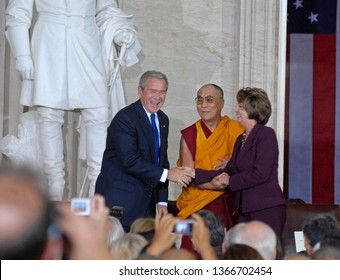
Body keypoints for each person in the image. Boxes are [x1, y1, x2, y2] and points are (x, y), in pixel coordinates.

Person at [5, 0, 142, 200]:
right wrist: (23, 55)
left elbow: (106, 8)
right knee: (49, 114)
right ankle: (55, 184)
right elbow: (17, 13)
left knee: (99, 112)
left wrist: (120, 31)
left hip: (86, 41)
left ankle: (98, 183)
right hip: (48, 42)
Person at [95, 70, 195, 232]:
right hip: (121, 203)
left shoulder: (163, 119)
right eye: (153, 91)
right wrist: (169, 174)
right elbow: (130, 161)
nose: (158, 97)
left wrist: (161, 202)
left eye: (162, 92)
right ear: (140, 91)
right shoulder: (125, 118)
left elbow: (161, 161)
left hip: (146, 206)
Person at [193, 87, 286, 237]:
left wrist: (230, 180)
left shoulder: (265, 134)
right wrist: (193, 173)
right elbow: (226, 172)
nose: (236, 109)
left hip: (265, 209)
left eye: (241, 106)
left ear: (253, 108)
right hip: (244, 210)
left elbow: (261, 173)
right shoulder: (240, 139)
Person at [176, 84, 244, 228]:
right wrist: (212, 185)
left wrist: (233, 163)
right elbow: (186, 176)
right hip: (195, 203)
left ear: (221, 103)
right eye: (199, 100)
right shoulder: (189, 135)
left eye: (209, 100)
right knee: (189, 246)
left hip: (227, 199)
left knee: (223, 245)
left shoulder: (237, 130)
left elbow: (250, 168)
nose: (203, 105)